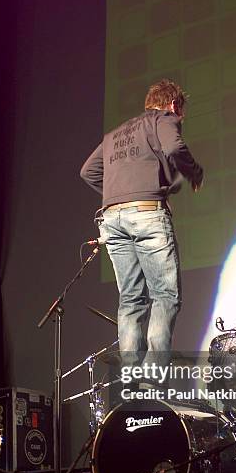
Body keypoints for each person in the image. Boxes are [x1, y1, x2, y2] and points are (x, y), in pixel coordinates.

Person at [80, 79, 204, 382]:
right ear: (174, 105)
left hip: (111, 219)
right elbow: (174, 146)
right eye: (181, 115)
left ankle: (130, 376)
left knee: (130, 299)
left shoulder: (115, 135)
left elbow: (88, 171)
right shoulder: (163, 120)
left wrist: (118, 197)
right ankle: (153, 374)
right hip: (147, 215)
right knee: (165, 296)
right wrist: (194, 172)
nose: (180, 120)